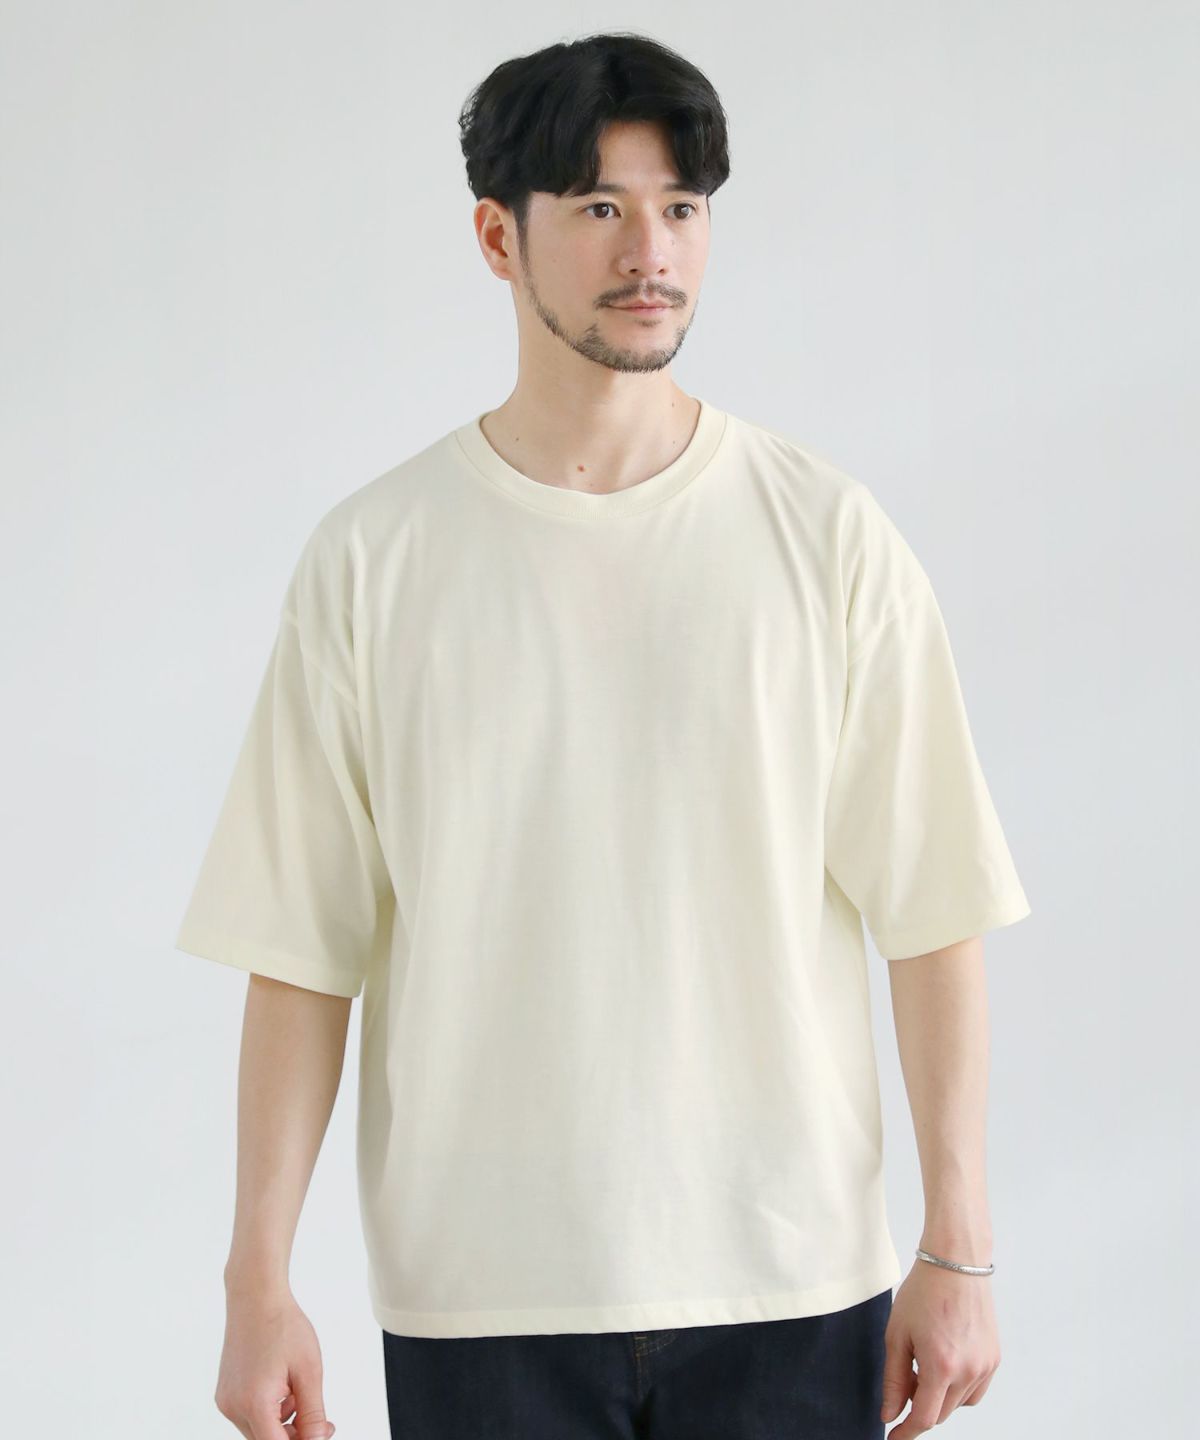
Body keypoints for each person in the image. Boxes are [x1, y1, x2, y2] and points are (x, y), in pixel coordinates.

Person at [175, 31, 1031, 1440]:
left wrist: (962, 1248)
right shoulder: (376, 560)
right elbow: (301, 947)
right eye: (599, 207)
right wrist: (255, 1282)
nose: (653, 252)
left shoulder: (826, 538)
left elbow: (936, 910)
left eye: (682, 207)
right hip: (482, 1302)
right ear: (495, 237)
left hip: (790, 1283)